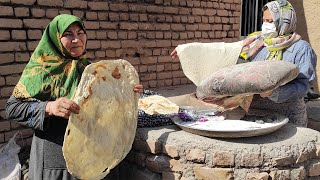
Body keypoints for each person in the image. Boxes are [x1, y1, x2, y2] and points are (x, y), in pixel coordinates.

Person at [6, 14, 143, 180]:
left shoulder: (90, 69)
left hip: (90, 155)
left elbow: (101, 107)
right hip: (55, 163)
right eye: (68, 34)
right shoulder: (41, 70)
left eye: (80, 33)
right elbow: (12, 108)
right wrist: (49, 107)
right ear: (55, 38)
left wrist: (125, 93)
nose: (77, 40)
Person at [171, 0, 317, 127]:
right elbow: (224, 51)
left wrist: (274, 93)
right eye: (264, 20)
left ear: (285, 21)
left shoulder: (301, 48)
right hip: (255, 113)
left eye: (271, 21)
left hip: (288, 115)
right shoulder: (256, 43)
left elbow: (303, 87)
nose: (266, 25)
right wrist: (187, 51)